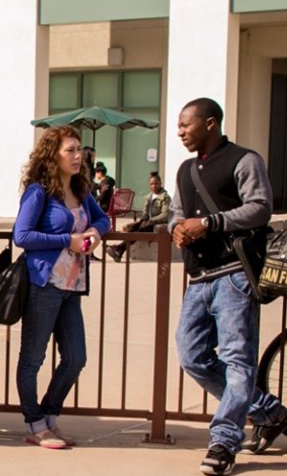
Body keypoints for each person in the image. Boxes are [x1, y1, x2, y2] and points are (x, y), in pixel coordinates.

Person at [170, 97, 287, 475]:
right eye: (179, 126)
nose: (180, 132)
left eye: (186, 125)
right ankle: (267, 410)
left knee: (238, 360)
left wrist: (209, 223)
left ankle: (224, 442)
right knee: (192, 356)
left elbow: (260, 207)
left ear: (210, 123)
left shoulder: (245, 160)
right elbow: (177, 211)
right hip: (198, 279)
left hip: (234, 275)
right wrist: (176, 228)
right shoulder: (186, 169)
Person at [11, 126, 109, 449]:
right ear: (53, 155)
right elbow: (22, 235)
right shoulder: (39, 191)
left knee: (75, 357)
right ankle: (35, 424)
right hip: (44, 284)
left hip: (72, 287)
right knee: (32, 359)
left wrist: (94, 232)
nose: (78, 156)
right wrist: (68, 239)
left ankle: (50, 416)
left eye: (79, 149)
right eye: (70, 150)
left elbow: (103, 219)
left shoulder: (81, 190)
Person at [108, 172, 170, 262]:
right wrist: (143, 220)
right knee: (133, 228)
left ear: (160, 183)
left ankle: (119, 249)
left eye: (156, 184)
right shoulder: (148, 197)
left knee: (139, 231)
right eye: (151, 184)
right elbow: (145, 213)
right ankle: (119, 250)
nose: (154, 186)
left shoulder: (165, 197)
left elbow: (165, 215)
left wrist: (151, 220)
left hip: (157, 223)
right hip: (148, 222)